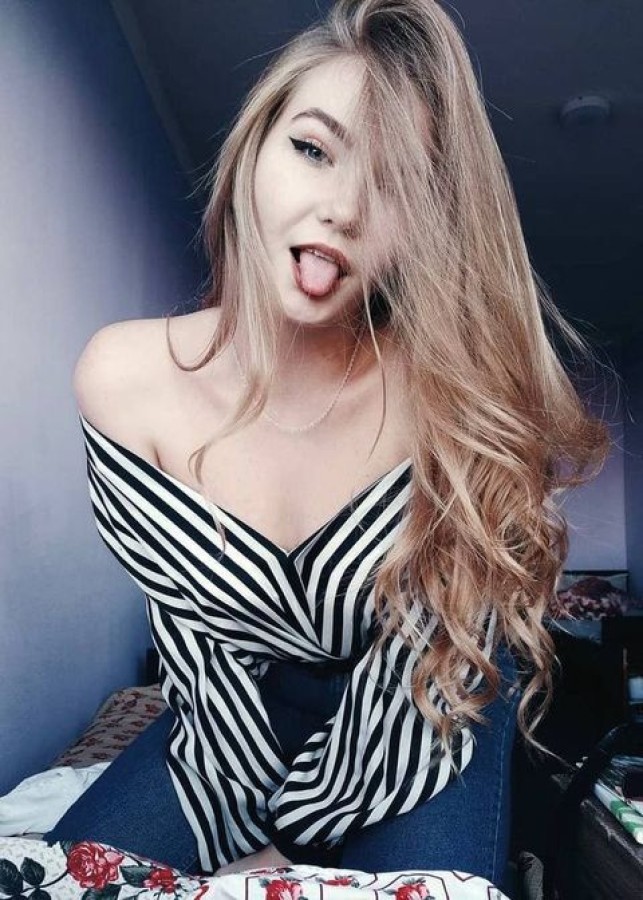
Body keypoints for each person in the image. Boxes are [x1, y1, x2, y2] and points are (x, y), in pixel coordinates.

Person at [47, 0, 608, 889]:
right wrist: (233, 829)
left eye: (396, 186)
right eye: (313, 149)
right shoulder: (121, 378)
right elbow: (196, 649)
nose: (342, 208)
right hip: (230, 721)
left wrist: (290, 848)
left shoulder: (452, 399)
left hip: (424, 712)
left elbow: (435, 660)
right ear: (254, 149)